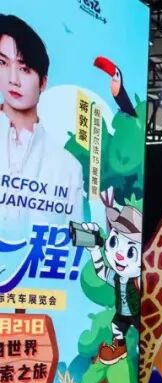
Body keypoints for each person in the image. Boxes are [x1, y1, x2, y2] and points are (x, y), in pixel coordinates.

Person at [0, 15, 83, 228]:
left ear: (43, 82)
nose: (13, 79)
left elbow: (76, 238)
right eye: (3, 63)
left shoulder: (68, 167)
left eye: (25, 69)